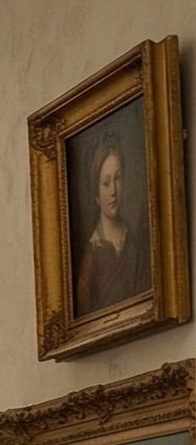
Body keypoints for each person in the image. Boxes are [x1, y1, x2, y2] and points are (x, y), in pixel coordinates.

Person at [73, 130, 149, 317]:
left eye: (117, 178)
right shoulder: (91, 254)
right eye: (106, 183)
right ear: (96, 194)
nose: (113, 191)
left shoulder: (134, 241)